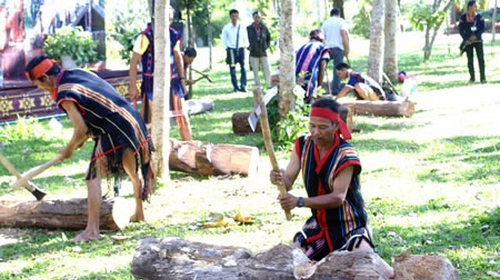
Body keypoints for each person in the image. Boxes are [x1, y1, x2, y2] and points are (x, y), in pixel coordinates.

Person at [25, 55, 154, 242]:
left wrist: (69, 148)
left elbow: (81, 128)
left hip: (113, 127)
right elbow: (91, 111)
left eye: (39, 84)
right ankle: (140, 213)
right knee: (132, 171)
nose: (41, 89)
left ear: (45, 78)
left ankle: (92, 231)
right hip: (130, 118)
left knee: (93, 177)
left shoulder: (64, 93)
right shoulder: (76, 73)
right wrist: (80, 140)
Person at [270, 98, 373, 261]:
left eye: (322, 127)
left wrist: (300, 202)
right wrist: (280, 179)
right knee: (291, 261)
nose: (315, 132)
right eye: (312, 125)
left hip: (349, 225)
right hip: (319, 224)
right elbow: (288, 180)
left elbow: (337, 198)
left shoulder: (346, 155)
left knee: (365, 261)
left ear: (336, 126)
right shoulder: (302, 145)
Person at [129, 7, 192, 140]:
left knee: (183, 118)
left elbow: (177, 57)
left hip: (173, 83)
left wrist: (182, 80)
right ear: (156, 19)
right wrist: (132, 86)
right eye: (164, 19)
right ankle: (151, 154)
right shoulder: (145, 36)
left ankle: (190, 150)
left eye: (169, 19)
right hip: (152, 83)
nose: (167, 22)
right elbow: (134, 61)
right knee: (154, 120)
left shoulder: (174, 35)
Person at [296, 29, 330, 103]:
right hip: (309, 82)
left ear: (310, 37)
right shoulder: (323, 48)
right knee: (309, 105)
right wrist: (318, 89)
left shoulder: (301, 47)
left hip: (295, 80)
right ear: (323, 38)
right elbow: (322, 70)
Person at [321, 7, 349, 96]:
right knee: (337, 69)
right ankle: (335, 90)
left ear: (331, 14)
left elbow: (322, 37)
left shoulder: (325, 23)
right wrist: (347, 48)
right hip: (338, 48)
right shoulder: (341, 21)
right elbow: (343, 34)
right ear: (339, 14)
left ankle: (318, 87)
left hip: (327, 48)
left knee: (322, 68)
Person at [222, 9, 249, 93]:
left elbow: (246, 38)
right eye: (233, 16)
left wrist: (245, 46)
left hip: (241, 49)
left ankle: (243, 85)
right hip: (231, 50)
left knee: (243, 68)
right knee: (232, 69)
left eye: (236, 16)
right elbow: (224, 39)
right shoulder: (226, 28)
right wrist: (227, 48)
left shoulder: (242, 27)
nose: (234, 18)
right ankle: (235, 86)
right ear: (230, 17)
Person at [458, 0, 486, 84]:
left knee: (481, 59)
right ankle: (472, 78)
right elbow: (460, 29)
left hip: (478, 41)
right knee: (470, 60)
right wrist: (466, 39)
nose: (476, 7)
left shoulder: (479, 16)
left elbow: (483, 27)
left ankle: (483, 78)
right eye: (475, 6)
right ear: (470, 7)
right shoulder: (463, 17)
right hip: (468, 42)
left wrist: (476, 36)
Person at [247, 11, 272, 88]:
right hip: (253, 53)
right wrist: (249, 47)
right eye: (256, 17)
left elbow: (269, 38)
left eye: (258, 17)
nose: (257, 19)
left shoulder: (264, 28)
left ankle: (269, 85)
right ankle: (258, 86)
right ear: (253, 18)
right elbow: (244, 39)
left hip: (263, 52)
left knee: (267, 70)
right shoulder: (248, 29)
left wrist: (266, 46)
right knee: (255, 71)